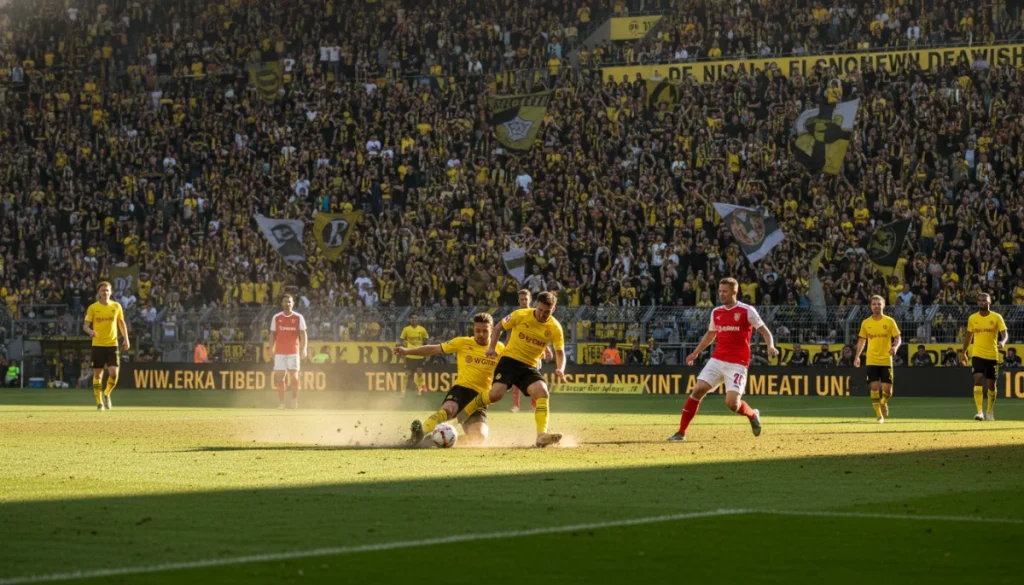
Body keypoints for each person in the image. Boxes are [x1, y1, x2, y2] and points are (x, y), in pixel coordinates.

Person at [668, 278, 777, 442]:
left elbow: (765, 331)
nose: (721, 294)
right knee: (698, 390)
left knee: (732, 404)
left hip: (738, 364)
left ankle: (753, 415)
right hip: (717, 360)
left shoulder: (747, 311)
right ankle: (681, 432)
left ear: (734, 292)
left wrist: (770, 346)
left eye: (725, 291)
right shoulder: (716, 312)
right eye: (719, 291)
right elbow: (710, 334)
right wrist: (695, 352)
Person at [460, 291, 566, 447]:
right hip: (509, 360)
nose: (542, 314)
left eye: (547, 312)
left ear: (553, 309)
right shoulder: (520, 315)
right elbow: (498, 327)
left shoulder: (555, 327)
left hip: (529, 366)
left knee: (543, 392)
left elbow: (560, 352)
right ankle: (468, 408)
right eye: (540, 310)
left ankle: (541, 436)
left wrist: (560, 368)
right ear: (536, 305)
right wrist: (491, 348)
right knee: (496, 395)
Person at [404, 313, 504, 445]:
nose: (481, 334)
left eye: (485, 331)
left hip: (479, 399)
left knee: (479, 436)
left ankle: (435, 440)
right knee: (448, 410)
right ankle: (419, 434)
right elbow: (433, 349)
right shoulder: (462, 342)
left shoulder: (500, 349)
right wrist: (407, 351)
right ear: (473, 329)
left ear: (492, 330)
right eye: (477, 330)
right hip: (461, 390)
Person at [959, 293, 1007, 421]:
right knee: (978, 378)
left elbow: (1004, 333)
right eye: (979, 300)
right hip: (977, 354)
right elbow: (968, 337)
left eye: (984, 300)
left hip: (992, 355)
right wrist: (963, 352)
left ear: (990, 302)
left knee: (991, 385)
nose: (981, 302)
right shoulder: (972, 318)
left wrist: (1003, 342)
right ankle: (979, 412)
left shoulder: (997, 317)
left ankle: (989, 411)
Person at [854, 295, 901, 423]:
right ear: (870, 306)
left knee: (887, 390)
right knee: (874, 387)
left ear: (883, 305)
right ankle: (879, 415)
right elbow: (862, 340)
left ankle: (883, 402)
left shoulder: (889, 321)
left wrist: (895, 347)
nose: (876, 306)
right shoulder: (866, 323)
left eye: (879, 304)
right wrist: (857, 356)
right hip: (872, 360)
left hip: (886, 359)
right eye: (874, 304)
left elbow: (898, 337)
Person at [83, 281, 130, 410]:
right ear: (99, 292)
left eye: (107, 290)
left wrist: (126, 339)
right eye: (103, 290)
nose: (105, 292)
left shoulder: (116, 306)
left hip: (112, 344)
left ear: (111, 292)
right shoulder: (93, 308)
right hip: (98, 345)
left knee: (114, 374)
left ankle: (107, 393)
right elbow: (85, 326)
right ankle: (99, 402)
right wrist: (90, 331)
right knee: (98, 375)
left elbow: (121, 323)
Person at [510, 290, 550, 413]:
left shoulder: (536, 314)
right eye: (521, 299)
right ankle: (516, 406)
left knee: (533, 380)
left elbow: (542, 334)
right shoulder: (516, 314)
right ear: (518, 300)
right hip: (518, 352)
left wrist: (547, 349)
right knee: (515, 381)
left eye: (526, 299)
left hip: (533, 353)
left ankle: (534, 405)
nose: (523, 301)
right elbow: (511, 333)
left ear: (530, 300)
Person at [270, 295, 307, 409]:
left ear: (293, 303)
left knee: (294, 377)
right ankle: (281, 403)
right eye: (285, 302)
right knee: (280, 377)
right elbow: (272, 334)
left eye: (289, 302)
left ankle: (294, 401)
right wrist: (271, 348)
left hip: (293, 352)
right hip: (280, 352)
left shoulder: (298, 317)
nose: (287, 304)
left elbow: (303, 334)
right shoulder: (276, 317)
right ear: (282, 303)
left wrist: (304, 348)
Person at [399, 314, 429, 395]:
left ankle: (420, 390)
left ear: (418, 319)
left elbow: (426, 340)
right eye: (412, 318)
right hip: (410, 354)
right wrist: (404, 342)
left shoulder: (422, 329)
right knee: (407, 373)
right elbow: (401, 339)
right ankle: (403, 391)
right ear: (410, 319)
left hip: (419, 354)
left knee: (419, 373)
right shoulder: (406, 329)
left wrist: (425, 349)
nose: (414, 319)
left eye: (415, 318)